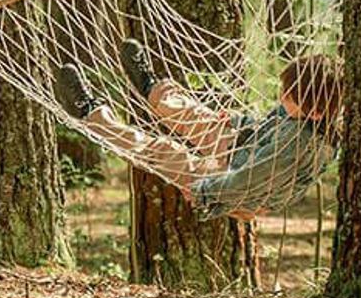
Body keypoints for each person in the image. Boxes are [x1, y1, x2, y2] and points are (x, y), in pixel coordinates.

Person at [62, 49, 342, 220]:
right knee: (202, 118)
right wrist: (235, 121)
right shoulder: (303, 113)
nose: (281, 98)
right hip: (242, 155)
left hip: (239, 190)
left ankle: (91, 114)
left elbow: (251, 178)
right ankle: (153, 91)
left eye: (288, 95)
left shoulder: (298, 145)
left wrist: (204, 191)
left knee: (163, 151)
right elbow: (265, 129)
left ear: (315, 112)